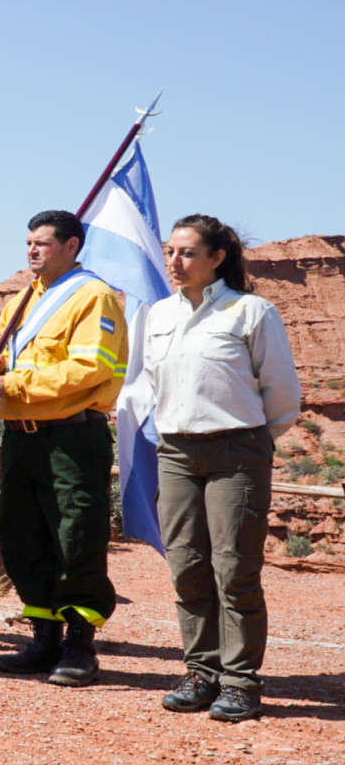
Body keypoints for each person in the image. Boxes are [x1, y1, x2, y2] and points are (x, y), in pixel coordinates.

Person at [145, 215, 302, 722]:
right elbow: (150, 382)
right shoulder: (158, 314)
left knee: (233, 569)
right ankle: (200, 671)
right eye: (171, 252)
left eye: (187, 253)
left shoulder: (251, 311)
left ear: (217, 258)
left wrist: (250, 440)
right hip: (175, 452)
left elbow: (280, 393)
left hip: (236, 451)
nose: (175, 261)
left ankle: (240, 681)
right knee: (187, 567)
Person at [0, 209, 127, 687]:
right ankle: (44, 638)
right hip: (21, 436)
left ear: (71, 245)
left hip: (72, 437)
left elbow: (89, 369)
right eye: (28, 243)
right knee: (23, 535)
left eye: (42, 243)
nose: (32, 251)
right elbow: (18, 362)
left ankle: (80, 645)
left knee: (76, 536)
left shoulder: (92, 297)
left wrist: (12, 380)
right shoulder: (22, 300)